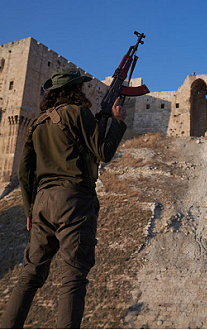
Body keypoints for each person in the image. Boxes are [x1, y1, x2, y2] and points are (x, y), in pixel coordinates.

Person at [1, 68, 127, 328]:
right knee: (72, 278)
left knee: (29, 275)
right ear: (74, 90)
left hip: (42, 205)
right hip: (74, 201)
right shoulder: (77, 113)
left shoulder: (36, 123)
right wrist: (117, 122)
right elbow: (103, 152)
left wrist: (29, 209)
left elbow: (24, 172)